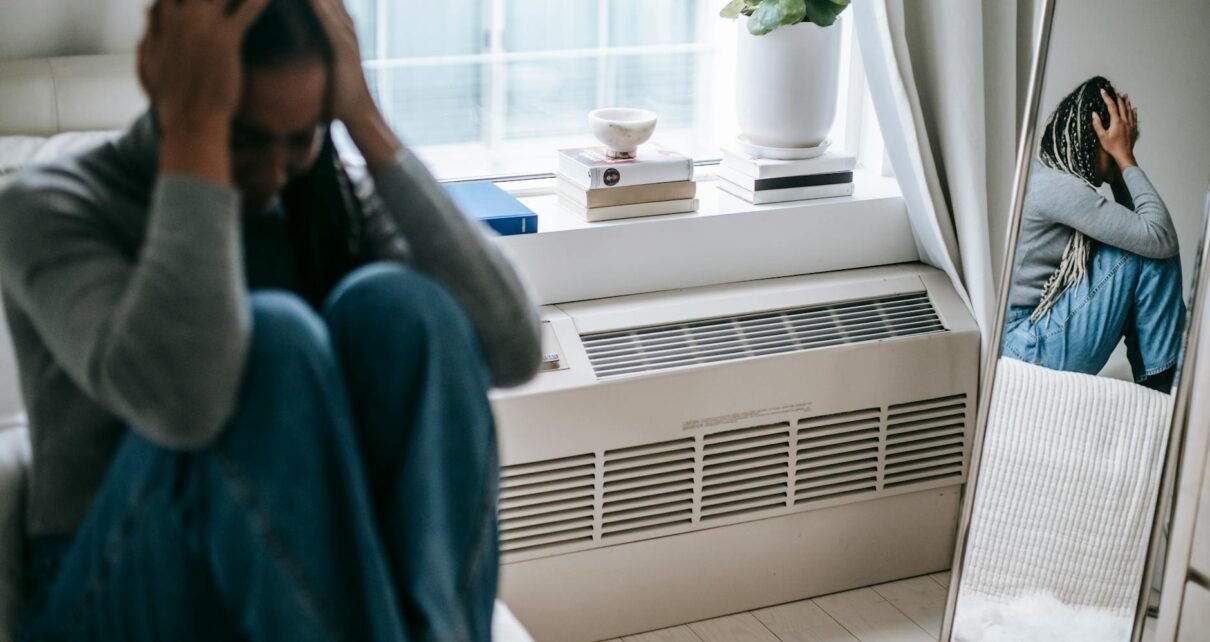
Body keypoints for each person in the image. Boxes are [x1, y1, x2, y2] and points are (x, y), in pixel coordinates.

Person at [0, 0, 541, 639]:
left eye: (301, 138)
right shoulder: (51, 206)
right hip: (103, 586)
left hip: (286, 575)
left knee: (406, 308)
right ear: (159, 67)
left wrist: (366, 123)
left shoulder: (322, 202)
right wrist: (198, 127)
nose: (273, 175)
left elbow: (513, 349)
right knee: (274, 340)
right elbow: (184, 406)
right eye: (244, 136)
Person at [1002, 76, 1184, 392]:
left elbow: (1144, 230)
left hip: (1022, 343)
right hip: (1026, 350)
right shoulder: (1060, 189)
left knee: (1147, 248)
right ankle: (1164, 383)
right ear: (1095, 138)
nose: (1120, 152)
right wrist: (1126, 160)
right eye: (1115, 144)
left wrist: (1118, 171)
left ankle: (1162, 379)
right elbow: (1158, 236)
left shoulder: (1048, 174)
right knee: (1150, 252)